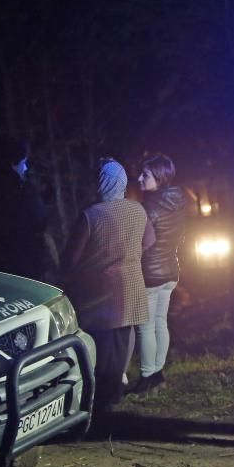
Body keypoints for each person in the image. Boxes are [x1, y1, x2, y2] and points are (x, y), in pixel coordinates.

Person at [61, 157, 154, 413]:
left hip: (98, 292)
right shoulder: (138, 210)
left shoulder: (91, 216)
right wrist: (131, 255)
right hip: (131, 286)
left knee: (99, 347)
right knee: (122, 343)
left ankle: (99, 402)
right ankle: (113, 395)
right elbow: (149, 241)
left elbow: (72, 257)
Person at [131, 153, 187, 393]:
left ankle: (147, 377)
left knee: (145, 327)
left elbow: (142, 243)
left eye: (146, 175)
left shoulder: (148, 207)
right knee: (160, 323)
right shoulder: (179, 202)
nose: (140, 178)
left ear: (159, 177)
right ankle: (158, 374)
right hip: (171, 271)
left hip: (149, 273)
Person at [0, 136, 49, 280]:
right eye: (23, 162)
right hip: (20, 264)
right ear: (13, 162)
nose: (25, 168)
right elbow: (40, 221)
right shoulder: (24, 191)